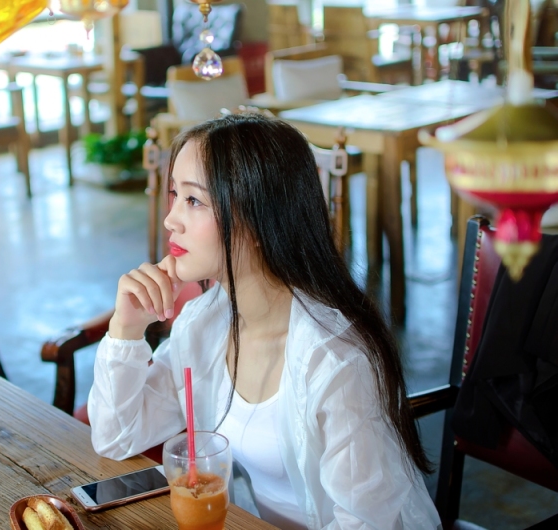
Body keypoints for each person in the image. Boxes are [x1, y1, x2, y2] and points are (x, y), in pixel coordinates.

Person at [87, 113, 441, 529]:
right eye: (175, 195)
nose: (170, 219)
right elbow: (117, 437)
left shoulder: (335, 362)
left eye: (194, 200)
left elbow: (365, 523)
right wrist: (126, 330)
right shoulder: (204, 323)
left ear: (257, 219)